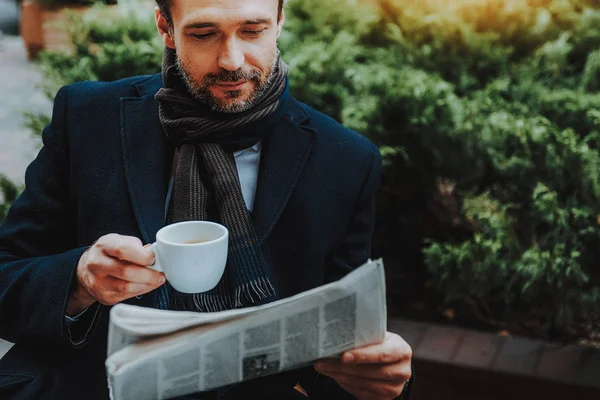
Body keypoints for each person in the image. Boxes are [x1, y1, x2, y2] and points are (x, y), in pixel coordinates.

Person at [0, 0, 414, 398]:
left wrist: (379, 382)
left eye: (253, 30)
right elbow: (7, 274)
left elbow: (342, 337)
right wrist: (79, 282)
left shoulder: (346, 160)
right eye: (203, 33)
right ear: (166, 27)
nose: (232, 60)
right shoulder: (88, 117)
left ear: (281, 19)